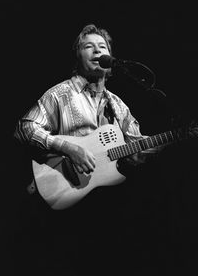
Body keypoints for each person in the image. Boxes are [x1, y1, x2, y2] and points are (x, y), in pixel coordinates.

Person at [14, 24, 185, 276]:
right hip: (62, 204)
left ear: (110, 59)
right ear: (78, 57)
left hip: (107, 213)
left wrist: (173, 138)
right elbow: (24, 129)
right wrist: (69, 148)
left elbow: (136, 151)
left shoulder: (118, 105)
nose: (97, 50)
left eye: (102, 47)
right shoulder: (61, 94)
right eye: (88, 46)